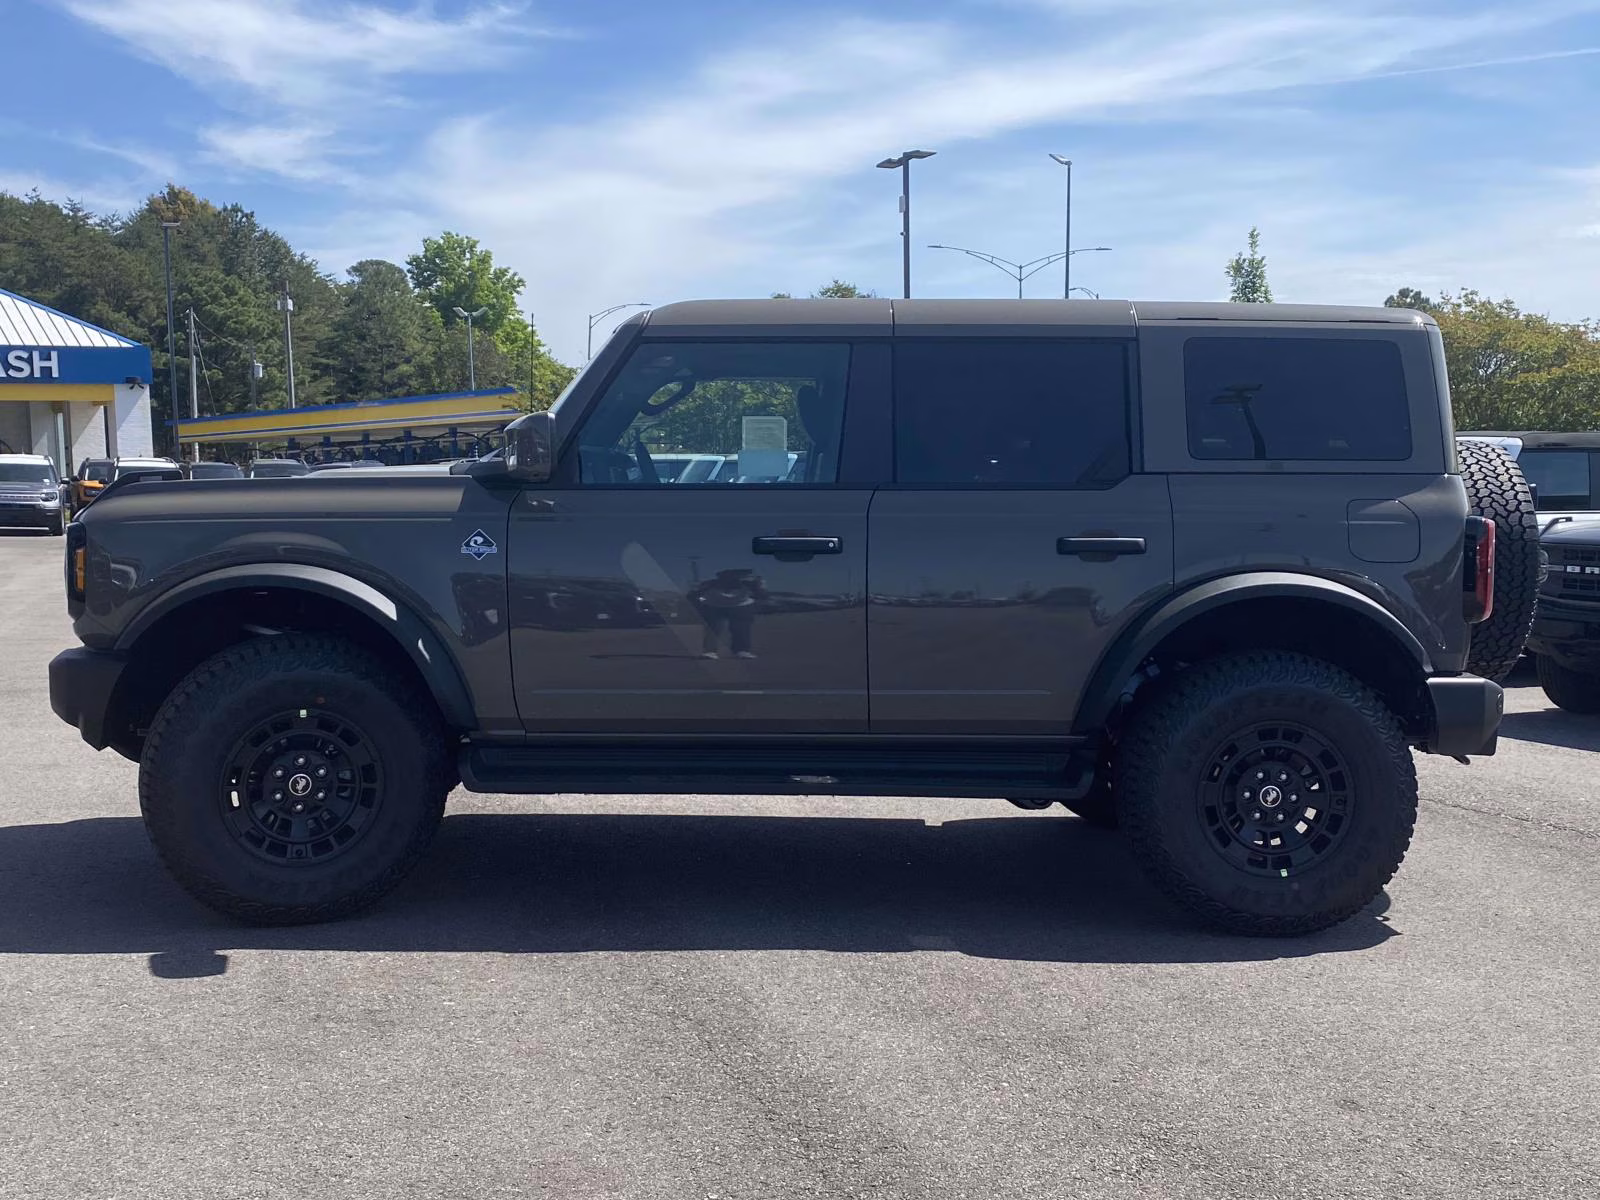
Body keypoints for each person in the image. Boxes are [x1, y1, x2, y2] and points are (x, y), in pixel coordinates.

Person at [690, 569, 766, 659]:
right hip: (714, 605)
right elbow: (694, 595)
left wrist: (757, 587)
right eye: (729, 577)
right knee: (713, 628)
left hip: (741, 605)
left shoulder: (751, 583)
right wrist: (702, 600)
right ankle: (710, 651)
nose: (733, 580)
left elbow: (763, 596)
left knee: (741, 628)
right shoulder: (710, 583)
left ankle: (742, 650)